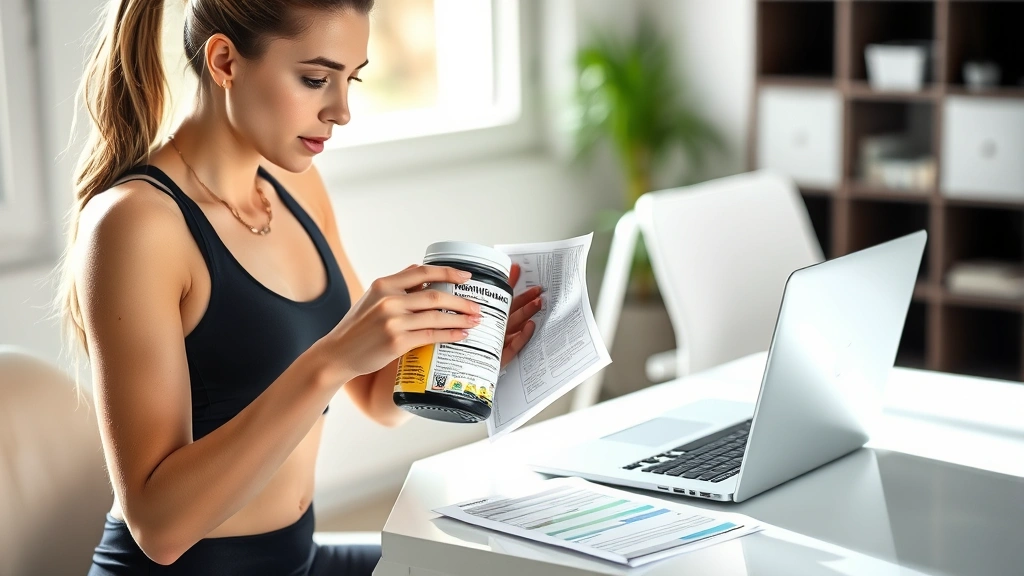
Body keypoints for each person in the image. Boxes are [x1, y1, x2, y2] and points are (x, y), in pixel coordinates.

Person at [56, 1, 543, 574]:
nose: (341, 111)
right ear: (224, 61)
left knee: (498, 564)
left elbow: (374, 395)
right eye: (316, 79)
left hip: (299, 559)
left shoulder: (294, 190)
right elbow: (158, 528)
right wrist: (330, 360)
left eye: (351, 79)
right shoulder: (138, 224)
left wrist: (457, 345)